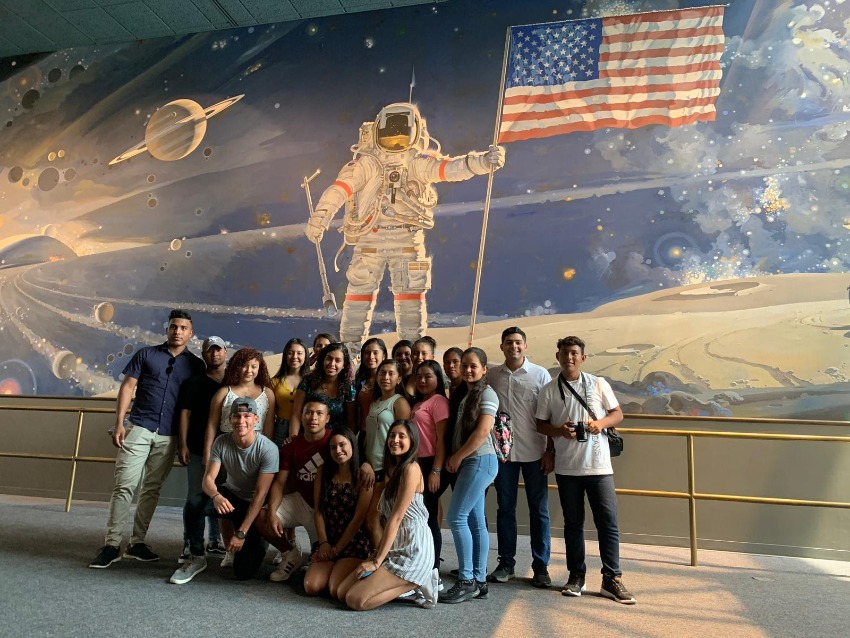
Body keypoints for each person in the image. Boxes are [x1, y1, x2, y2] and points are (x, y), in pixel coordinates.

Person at [305, 101, 505, 350]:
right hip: (370, 239)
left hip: (408, 241)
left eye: (401, 133)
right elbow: (339, 190)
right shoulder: (366, 164)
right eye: (390, 133)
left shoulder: (417, 162)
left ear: (416, 131)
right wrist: (320, 218)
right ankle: (349, 355)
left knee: (410, 302)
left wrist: (483, 162)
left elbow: (451, 168)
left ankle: (413, 356)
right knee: (357, 300)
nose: (395, 140)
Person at [89, 309, 205, 569]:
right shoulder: (146, 354)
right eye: (174, 326)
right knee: (124, 486)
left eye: (183, 328)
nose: (178, 331)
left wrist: (185, 442)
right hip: (139, 426)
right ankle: (111, 544)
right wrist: (119, 423)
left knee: (151, 490)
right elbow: (127, 387)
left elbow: (192, 405)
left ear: (190, 333)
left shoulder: (195, 365)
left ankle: (137, 543)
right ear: (168, 329)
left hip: (169, 434)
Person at [535, 336, 636, 604]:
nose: (569, 357)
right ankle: (576, 575)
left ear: (583, 358)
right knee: (573, 524)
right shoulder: (548, 390)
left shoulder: (598, 383)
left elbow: (617, 414)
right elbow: (540, 424)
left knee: (608, 523)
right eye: (564, 353)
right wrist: (559, 431)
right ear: (557, 357)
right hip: (568, 468)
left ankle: (612, 578)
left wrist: (599, 424)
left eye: (574, 353)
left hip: (599, 466)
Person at [173, 397, 278, 583]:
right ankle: (196, 555)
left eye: (247, 416)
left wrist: (241, 533)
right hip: (231, 496)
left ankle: (259, 539)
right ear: (230, 420)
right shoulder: (222, 442)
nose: (241, 421)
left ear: (256, 419)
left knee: (243, 572)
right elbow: (207, 479)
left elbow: (260, 496)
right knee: (195, 502)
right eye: (236, 416)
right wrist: (216, 496)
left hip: (253, 505)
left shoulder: (268, 449)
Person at [337, 419, 438, 610]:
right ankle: (407, 582)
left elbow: (397, 518)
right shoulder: (393, 469)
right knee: (342, 592)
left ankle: (417, 581)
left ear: (412, 441)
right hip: (396, 546)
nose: (395, 440)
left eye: (402, 436)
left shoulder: (411, 469)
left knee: (355, 600)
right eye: (392, 435)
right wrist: (379, 552)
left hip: (413, 548)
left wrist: (376, 562)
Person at [488, 327, 553, 588]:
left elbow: (550, 414)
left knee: (539, 511)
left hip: (535, 452)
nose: (513, 347)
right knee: (505, 509)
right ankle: (506, 563)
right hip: (503, 454)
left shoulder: (540, 375)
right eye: (508, 343)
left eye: (518, 342)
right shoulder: (492, 375)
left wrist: (550, 450)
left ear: (525, 346)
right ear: (502, 347)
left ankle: (541, 566)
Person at [439, 347, 498, 604]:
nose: (468, 370)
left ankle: (465, 581)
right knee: (475, 521)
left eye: (474, 366)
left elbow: (483, 432)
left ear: (484, 369)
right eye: (465, 366)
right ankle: (479, 580)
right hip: (471, 462)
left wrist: (458, 455)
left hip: (480, 460)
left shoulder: (487, 393)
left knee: (456, 517)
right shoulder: (466, 394)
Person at [259, 398, 332, 582]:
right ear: (301, 416)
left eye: (319, 413)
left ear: (327, 418)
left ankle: (315, 554)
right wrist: (273, 512)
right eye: (308, 412)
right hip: (301, 501)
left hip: (324, 511)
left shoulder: (335, 441)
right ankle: (291, 554)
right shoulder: (291, 445)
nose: (313, 418)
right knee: (262, 516)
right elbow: (279, 483)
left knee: (315, 579)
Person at [176, 336, 228, 566]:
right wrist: (183, 444)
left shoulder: (233, 382)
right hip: (198, 447)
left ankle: (215, 540)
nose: (214, 354)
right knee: (196, 496)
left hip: (228, 451)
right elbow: (185, 413)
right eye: (210, 350)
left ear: (225, 352)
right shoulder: (194, 382)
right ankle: (191, 543)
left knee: (221, 494)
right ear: (204, 354)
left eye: (218, 350)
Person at [303, 427, 373, 599]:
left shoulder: (363, 475)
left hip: (353, 542)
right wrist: (324, 543)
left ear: (353, 445)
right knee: (311, 586)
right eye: (333, 447)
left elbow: (358, 519)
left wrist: (337, 550)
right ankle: (331, 569)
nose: (338, 451)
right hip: (329, 539)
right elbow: (318, 511)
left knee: (335, 590)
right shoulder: (323, 471)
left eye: (343, 445)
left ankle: (350, 570)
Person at [204, 347, 275, 464]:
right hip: (226, 445)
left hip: (256, 447)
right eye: (244, 365)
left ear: (259, 368)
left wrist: (268, 453)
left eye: (254, 366)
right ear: (237, 367)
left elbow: (269, 426)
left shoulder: (267, 394)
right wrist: (207, 453)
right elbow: (212, 425)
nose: (249, 370)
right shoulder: (223, 393)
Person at [410, 360, 450, 570]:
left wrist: (436, 470)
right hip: (417, 465)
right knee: (419, 514)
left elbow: (442, 439)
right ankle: (421, 560)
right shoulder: (418, 403)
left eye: (428, 376)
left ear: (438, 379)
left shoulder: (439, 402)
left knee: (430, 516)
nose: (423, 380)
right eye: (419, 377)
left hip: (431, 464)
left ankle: (433, 566)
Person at [289, 342, 356, 437]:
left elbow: (351, 422)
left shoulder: (348, 387)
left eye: (338, 360)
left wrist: (349, 444)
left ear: (344, 365)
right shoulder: (308, 380)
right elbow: (296, 414)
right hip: (308, 438)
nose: (332, 364)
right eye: (329, 358)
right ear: (323, 360)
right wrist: (293, 439)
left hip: (335, 442)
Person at [270, 338, 310, 445]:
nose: (294, 357)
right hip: (280, 428)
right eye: (290, 353)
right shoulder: (274, 382)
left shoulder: (311, 381)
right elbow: (270, 414)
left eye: (299, 353)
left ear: (305, 355)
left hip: (306, 427)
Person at [354, 337, 387, 434]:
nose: (371, 356)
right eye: (367, 353)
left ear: (384, 355)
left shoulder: (388, 381)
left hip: (382, 434)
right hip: (363, 433)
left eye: (375, 353)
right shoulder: (360, 380)